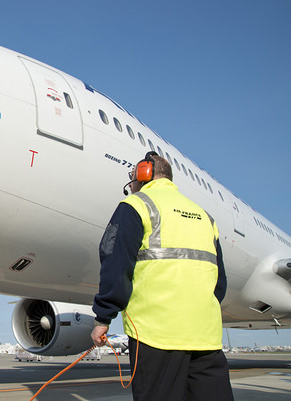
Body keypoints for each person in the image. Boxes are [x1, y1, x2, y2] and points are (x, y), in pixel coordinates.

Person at [91, 152, 233, 400]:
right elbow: (219, 283)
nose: (131, 184)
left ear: (144, 174)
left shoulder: (136, 205)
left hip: (155, 336)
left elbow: (116, 263)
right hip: (206, 338)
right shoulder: (204, 217)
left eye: (132, 178)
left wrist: (103, 317)